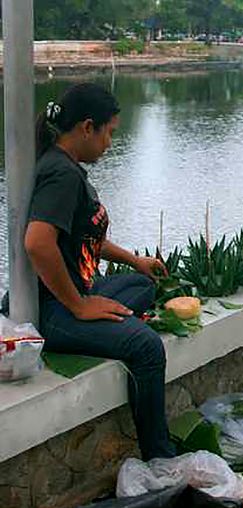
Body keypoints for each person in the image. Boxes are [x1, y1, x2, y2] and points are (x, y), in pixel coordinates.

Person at [24, 83, 175, 460]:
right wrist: (78, 305)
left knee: (141, 284)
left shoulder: (69, 168)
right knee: (146, 347)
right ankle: (160, 458)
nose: (110, 143)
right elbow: (37, 242)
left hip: (73, 293)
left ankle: (109, 319)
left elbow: (82, 236)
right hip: (52, 310)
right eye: (109, 132)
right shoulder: (62, 175)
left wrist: (135, 260)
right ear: (87, 127)